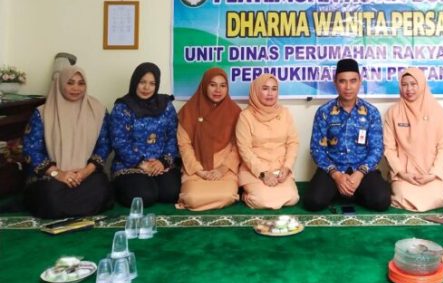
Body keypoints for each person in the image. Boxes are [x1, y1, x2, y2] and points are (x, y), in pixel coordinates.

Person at [23, 66, 112, 218]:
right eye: (70, 83)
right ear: (60, 84)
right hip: (51, 176)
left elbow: (105, 145)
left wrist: (84, 172)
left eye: (81, 83)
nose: (76, 88)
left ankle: (65, 208)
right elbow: (31, 149)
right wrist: (59, 174)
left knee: (101, 188)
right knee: (51, 196)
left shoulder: (98, 110)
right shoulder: (42, 113)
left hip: (85, 174)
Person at [304, 58, 390, 212]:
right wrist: (336, 175)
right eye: (342, 81)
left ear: (360, 81)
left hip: (362, 169)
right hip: (333, 170)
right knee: (313, 202)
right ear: (335, 82)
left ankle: (348, 191)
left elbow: (376, 149)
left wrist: (359, 174)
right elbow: (317, 149)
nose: (348, 87)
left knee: (381, 201)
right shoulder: (324, 112)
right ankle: (344, 190)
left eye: (353, 81)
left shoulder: (371, 112)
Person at [109, 63, 180, 208]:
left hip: (160, 163)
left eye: (152, 83)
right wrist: (142, 164)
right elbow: (120, 142)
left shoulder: (165, 105)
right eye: (142, 82)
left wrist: (163, 162)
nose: (147, 88)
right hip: (131, 165)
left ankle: (152, 182)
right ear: (135, 82)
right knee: (144, 196)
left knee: (171, 193)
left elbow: (173, 136)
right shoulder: (122, 107)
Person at [383, 68, 443, 212]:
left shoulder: (436, 111)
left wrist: (433, 173)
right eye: (404, 85)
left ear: (422, 85)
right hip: (404, 174)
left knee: (436, 197)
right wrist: (402, 173)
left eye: (413, 84)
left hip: (432, 173)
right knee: (404, 197)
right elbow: (389, 149)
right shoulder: (393, 113)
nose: (409, 89)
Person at [176, 67, 241, 211]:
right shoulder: (189, 111)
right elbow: (184, 145)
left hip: (224, 170)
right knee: (192, 198)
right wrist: (199, 171)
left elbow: (238, 147)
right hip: (196, 170)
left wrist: (222, 170)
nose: (218, 90)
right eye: (213, 85)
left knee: (228, 195)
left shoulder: (235, 112)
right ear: (204, 85)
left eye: (222, 85)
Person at [236, 74, 300, 209]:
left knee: (293, 198)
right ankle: (246, 195)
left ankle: (260, 192)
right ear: (256, 91)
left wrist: (287, 167)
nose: (270, 93)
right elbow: (244, 149)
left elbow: (293, 142)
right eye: (265, 88)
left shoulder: (284, 113)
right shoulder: (245, 116)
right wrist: (263, 173)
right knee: (262, 200)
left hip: (280, 169)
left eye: (274, 89)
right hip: (255, 170)